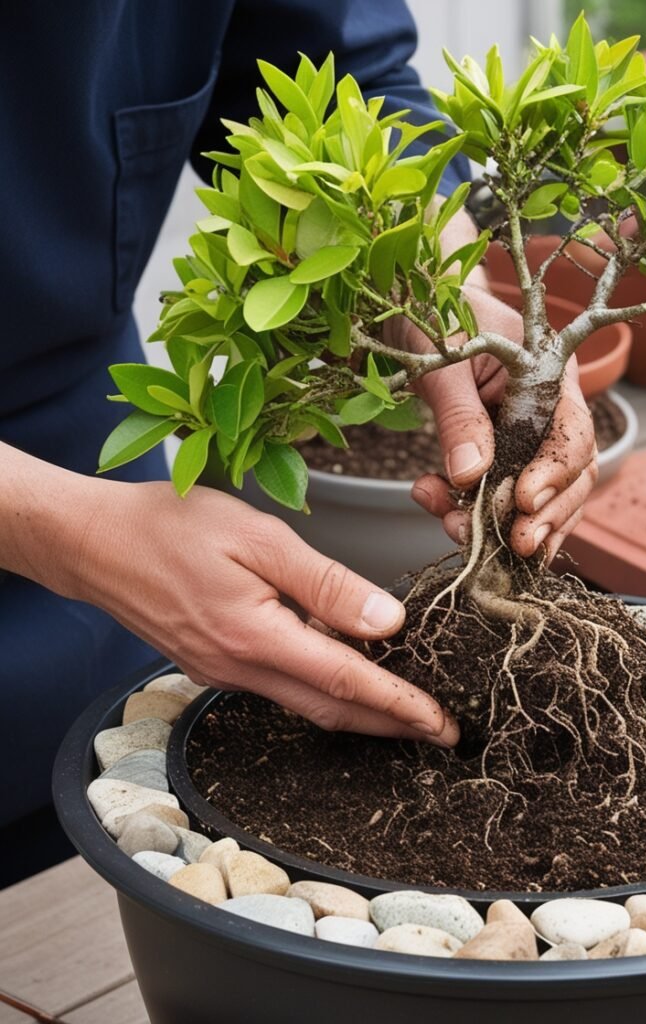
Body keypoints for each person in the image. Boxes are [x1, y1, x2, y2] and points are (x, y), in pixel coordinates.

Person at [0, 1, 597, 887]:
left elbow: (340, 75)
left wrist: (428, 284)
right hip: (74, 499)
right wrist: (73, 531)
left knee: (85, 824)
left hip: (73, 423)